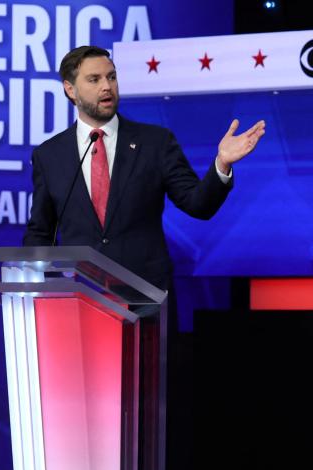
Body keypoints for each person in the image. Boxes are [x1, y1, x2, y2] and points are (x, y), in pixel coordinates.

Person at [24, 45, 266, 292]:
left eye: (112, 77)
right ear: (70, 89)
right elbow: (41, 232)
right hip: (81, 299)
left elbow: (198, 204)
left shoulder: (155, 143)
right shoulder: (49, 155)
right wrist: (30, 285)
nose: (107, 86)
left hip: (145, 297)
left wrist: (222, 163)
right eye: (94, 79)